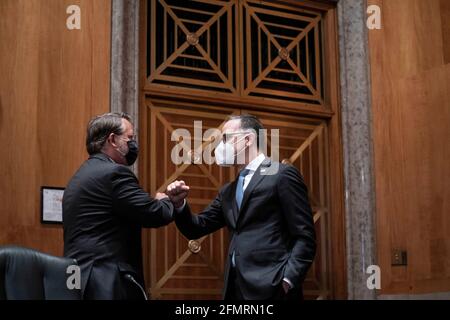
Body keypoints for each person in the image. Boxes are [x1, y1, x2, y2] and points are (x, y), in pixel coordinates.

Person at [166, 114, 316, 300]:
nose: (220, 146)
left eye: (226, 138)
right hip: (235, 288)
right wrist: (179, 204)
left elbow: (305, 236)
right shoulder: (228, 191)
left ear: (248, 139)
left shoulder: (281, 175)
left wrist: (287, 279)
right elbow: (197, 227)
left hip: (273, 288)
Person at [63, 112, 173, 300]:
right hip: (106, 280)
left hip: (79, 277)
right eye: (130, 138)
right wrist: (164, 200)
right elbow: (153, 213)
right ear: (112, 139)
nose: (133, 144)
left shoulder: (80, 175)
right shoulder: (114, 174)